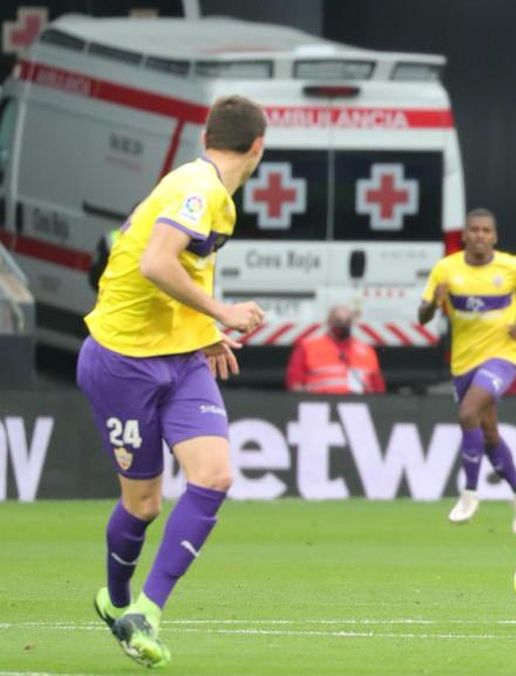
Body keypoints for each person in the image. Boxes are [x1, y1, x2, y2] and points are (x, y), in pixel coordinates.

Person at [77, 95, 268, 667]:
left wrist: (204, 328)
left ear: (206, 134)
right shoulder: (198, 187)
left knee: (214, 476)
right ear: (258, 146)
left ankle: (147, 611)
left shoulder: (214, 195)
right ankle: (114, 602)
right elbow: (154, 263)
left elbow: (178, 269)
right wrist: (225, 312)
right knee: (142, 505)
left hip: (182, 357)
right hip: (122, 360)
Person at [418, 208, 516, 534]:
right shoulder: (447, 269)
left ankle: (469, 493)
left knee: (468, 412)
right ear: (464, 235)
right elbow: (422, 316)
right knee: (488, 435)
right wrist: (435, 303)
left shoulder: (513, 267)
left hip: (502, 356)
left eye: (485, 230)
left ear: (494, 236)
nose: (479, 235)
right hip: (463, 362)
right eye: (473, 230)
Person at [285, 304, 385, 394]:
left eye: (347, 321)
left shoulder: (367, 350)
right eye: (338, 321)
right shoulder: (308, 347)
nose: (342, 324)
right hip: (319, 405)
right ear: (329, 322)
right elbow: (295, 382)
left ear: (352, 323)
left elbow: (377, 387)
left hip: (356, 406)